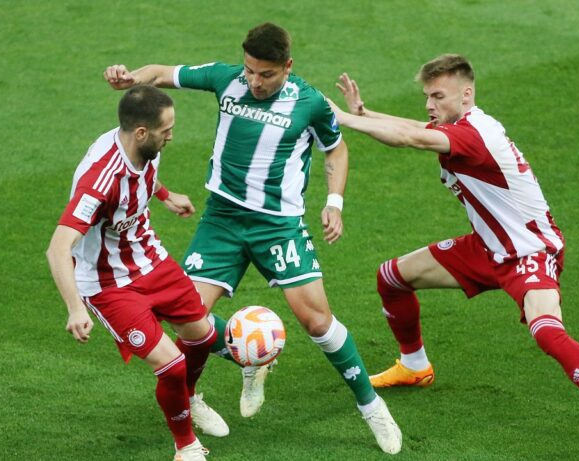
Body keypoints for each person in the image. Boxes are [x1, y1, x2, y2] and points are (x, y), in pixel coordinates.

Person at [102, 22, 402, 454]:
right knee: (190, 318)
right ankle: (207, 386)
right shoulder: (226, 79)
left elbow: (335, 148)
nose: (255, 82)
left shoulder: (310, 103)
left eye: (266, 74)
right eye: (250, 71)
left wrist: (334, 202)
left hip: (278, 225)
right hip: (222, 220)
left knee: (318, 321)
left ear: (287, 66)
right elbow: (162, 73)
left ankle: (371, 406)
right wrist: (131, 77)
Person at [330, 54, 579, 456]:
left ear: (466, 94)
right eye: (427, 96)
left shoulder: (475, 135)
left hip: (530, 251)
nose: (429, 104)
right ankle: (414, 365)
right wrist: (365, 113)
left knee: (547, 331)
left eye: (438, 96)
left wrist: (345, 119)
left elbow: (412, 138)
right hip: (487, 247)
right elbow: (417, 128)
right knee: (392, 276)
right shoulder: (461, 125)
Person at [46, 85, 230, 461]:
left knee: (201, 336)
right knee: (171, 365)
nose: (172, 136)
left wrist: (165, 195)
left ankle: (189, 399)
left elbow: (144, 175)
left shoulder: (144, 147)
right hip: (108, 284)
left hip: (150, 258)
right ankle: (186, 446)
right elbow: (58, 248)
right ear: (142, 132)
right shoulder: (99, 181)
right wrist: (75, 309)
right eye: (167, 130)